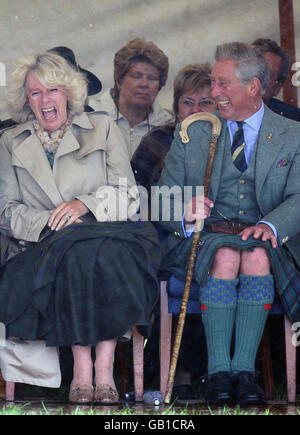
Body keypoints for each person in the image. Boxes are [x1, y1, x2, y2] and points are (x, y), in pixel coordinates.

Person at [0, 51, 160, 404]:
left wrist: (84, 205)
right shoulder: (11, 141)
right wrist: (52, 220)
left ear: (69, 94)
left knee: (95, 252)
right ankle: (85, 368)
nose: (45, 100)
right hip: (40, 247)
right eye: (35, 93)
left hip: (106, 236)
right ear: (26, 100)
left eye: (52, 91)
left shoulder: (103, 127)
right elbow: (5, 210)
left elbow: (128, 195)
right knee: (77, 252)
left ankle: (98, 369)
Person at [156, 42, 300, 407]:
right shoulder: (194, 132)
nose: (214, 93)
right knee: (225, 257)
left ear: (252, 87)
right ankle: (220, 373)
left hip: (264, 238)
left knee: (256, 258)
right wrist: (185, 212)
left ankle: (244, 373)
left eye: (222, 84)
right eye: (213, 82)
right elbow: (163, 198)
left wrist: (271, 224)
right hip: (204, 238)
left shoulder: (292, 134)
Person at [132, 63, 216, 403]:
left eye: (205, 102)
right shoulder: (158, 140)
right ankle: (176, 374)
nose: (195, 111)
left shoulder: (224, 140)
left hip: (212, 235)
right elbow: (136, 197)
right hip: (162, 235)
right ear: (175, 105)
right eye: (187, 102)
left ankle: (217, 372)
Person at [94, 37, 173, 158]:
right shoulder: (92, 115)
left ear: (159, 87)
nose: (144, 84)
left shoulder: (168, 126)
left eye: (152, 78)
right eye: (136, 76)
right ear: (119, 80)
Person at [252, 38, 300, 121]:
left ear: (277, 87)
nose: (256, 78)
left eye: (266, 74)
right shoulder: (223, 113)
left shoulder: (294, 122)